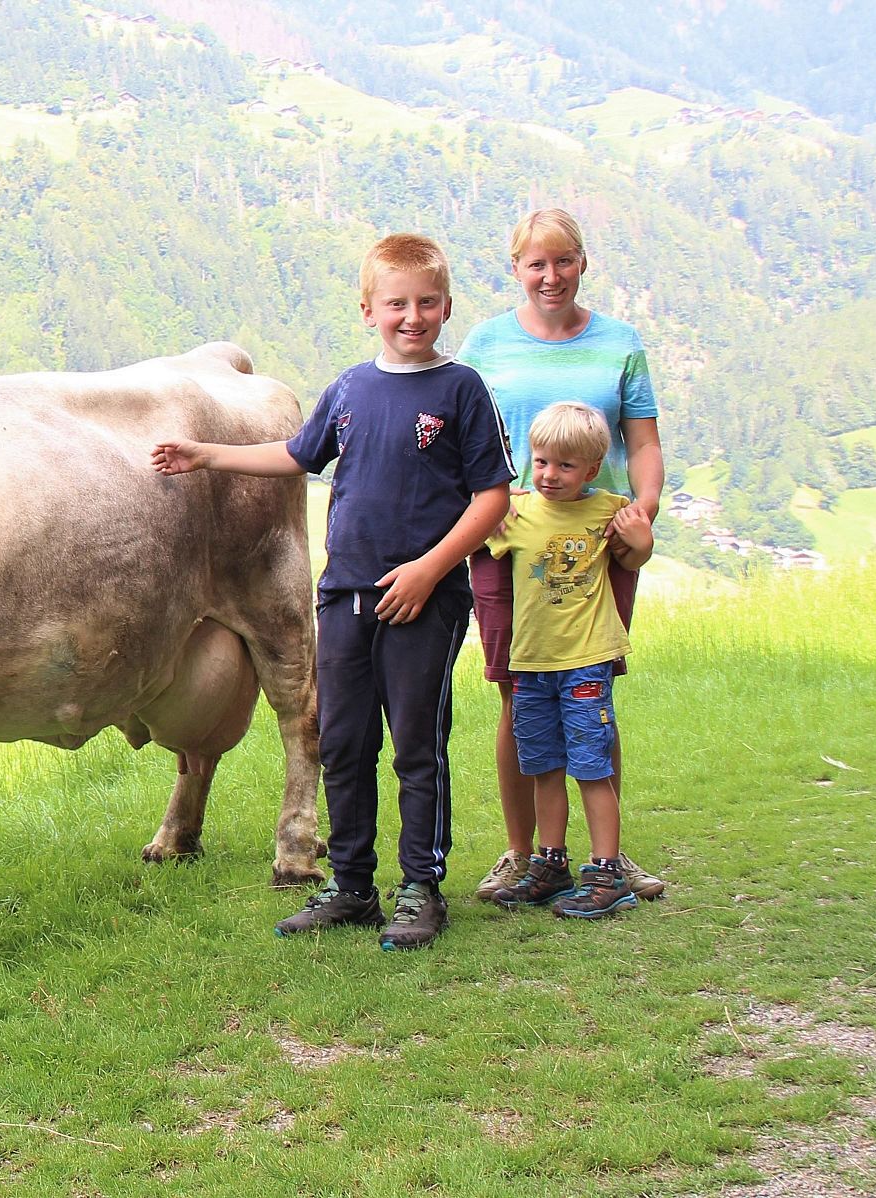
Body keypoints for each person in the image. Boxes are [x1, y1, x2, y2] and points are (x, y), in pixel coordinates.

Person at [152, 233, 512, 951]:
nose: (412, 316)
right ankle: (350, 885)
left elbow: (493, 497)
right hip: (344, 594)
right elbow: (295, 456)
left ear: (446, 306)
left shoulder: (461, 389)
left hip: (425, 598)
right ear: (368, 309)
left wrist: (429, 571)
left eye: (427, 303)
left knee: (416, 745)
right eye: (396, 304)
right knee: (343, 742)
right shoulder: (349, 388)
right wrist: (207, 455)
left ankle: (420, 887)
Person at [458, 209, 667, 904]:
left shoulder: (621, 342)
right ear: (515, 269)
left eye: (564, 261)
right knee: (518, 694)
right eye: (535, 264)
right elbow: (461, 439)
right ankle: (526, 853)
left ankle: (607, 857)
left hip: (597, 541)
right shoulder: (485, 343)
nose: (551, 276)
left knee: (591, 690)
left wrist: (643, 513)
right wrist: (486, 504)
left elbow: (642, 442)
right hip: (508, 536)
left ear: (584, 262)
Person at [483, 403, 653, 917]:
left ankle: (606, 872)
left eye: (565, 465)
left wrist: (641, 545)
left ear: (592, 469)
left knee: (591, 765)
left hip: (586, 662)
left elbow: (632, 555)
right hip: (530, 663)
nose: (550, 476)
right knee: (545, 766)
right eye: (541, 463)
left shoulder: (609, 510)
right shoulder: (514, 513)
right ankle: (550, 864)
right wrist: (493, 501)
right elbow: (467, 528)